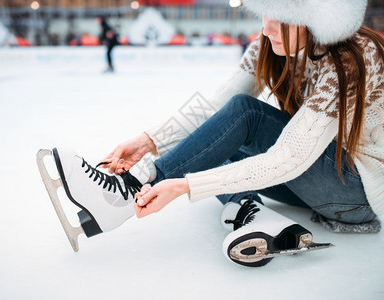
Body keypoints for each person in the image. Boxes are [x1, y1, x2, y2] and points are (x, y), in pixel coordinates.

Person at [45, 0, 384, 264]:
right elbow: (215, 109)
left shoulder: (354, 57)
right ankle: (248, 211)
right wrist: (147, 142)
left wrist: (187, 185)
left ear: (316, 18)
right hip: (319, 180)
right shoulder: (271, 43)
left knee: (247, 115)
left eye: (281, 16)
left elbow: (289, 157)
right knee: (218, 141)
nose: (266, 28)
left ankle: (123, 195)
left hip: (358, 194)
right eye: (264, 13)